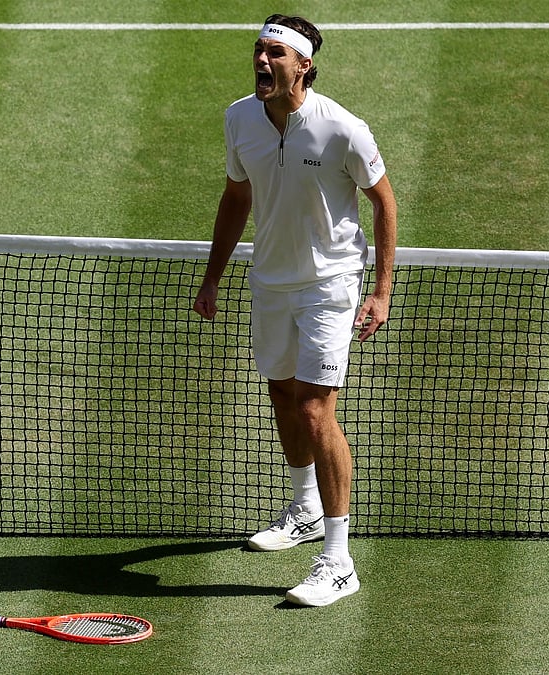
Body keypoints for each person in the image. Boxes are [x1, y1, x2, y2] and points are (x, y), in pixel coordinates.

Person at [193, 14, 397, 607]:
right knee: (282, 392)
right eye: (258, 50)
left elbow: (383, 204)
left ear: (303, 65)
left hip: (330, 283)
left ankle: (338, 561)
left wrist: (379, 291)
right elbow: (237, 195)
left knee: (314, 407)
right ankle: (305, 507)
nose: (262, 60)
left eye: (275, 53)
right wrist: (213, 277)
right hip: (270, 282)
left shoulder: (343, 130)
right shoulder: (238, 119)